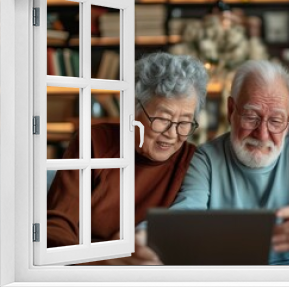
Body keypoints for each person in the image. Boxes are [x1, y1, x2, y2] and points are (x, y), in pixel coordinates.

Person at [169, 60, 289, 265]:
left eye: (276, 121)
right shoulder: (206, 158)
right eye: (251, 117)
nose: (262, 134)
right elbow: (184, 217)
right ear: (231, 109)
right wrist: (146, 237)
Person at [46, 52, 209, 265]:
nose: (172, 133)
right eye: (162, 119)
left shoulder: (193, 161)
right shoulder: (96, 143)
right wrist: (108, 264)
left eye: (185, 122)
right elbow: (56, 228)